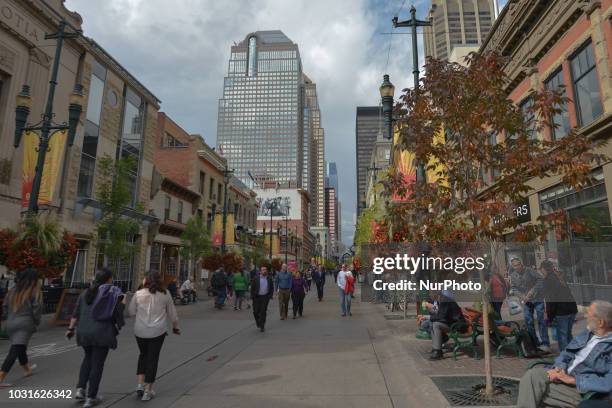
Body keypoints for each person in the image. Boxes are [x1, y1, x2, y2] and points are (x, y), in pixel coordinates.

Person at [517, 300, 612, 408]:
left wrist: (573, 380)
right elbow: (567, 352)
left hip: (579, 390)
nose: (586, 317)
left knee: (531, 389)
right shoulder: (589, 333)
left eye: (589, 315)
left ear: (601, 322)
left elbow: (608, 382)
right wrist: (559, 367)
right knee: (531, 376)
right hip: (563, 375)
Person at [66, 268, 126, 408]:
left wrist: (70, 329)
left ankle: (81, 389)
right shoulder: (110, 294)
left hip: (84, 331)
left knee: (87, 359)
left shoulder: (85, 293)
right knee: (97, 364)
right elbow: (118, 312)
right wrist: (123, 303)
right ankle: (91, 397)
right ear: (109, 279)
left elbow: (76, 313)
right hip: (101, 332)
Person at [128, 272, 180, 401]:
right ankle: (148, 390)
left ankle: (140, 384)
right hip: (157, 331)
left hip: (140, 331)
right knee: (152, 358)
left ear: (145, 280)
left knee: (143, 355)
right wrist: (175, 326)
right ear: (159, 280)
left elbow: (131, 312)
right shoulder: (165, 293)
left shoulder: (138, 293)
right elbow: (172, 313)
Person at [0, 269, 41, 387]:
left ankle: (27, 369)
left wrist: (8, 318)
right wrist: (36, 322)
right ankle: (1, 376)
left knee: (20, 347)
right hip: (25, 324)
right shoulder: (34, 291)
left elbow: (5, 307)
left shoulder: (12, 290)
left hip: (11, 323)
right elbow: (37, 309)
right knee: (15, 350)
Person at [509, 257, 549, 353]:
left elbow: (540, 280)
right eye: (515, 265)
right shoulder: (513, 276)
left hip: (537, 298)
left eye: (519, 264)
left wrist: (532, 291)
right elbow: (514, 288)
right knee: (528, 321)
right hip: (526, 301)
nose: (517, 267)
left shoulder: (529, 270)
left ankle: (545, 344)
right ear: (513, 267)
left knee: (541, 320)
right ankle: (534, 343)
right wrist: (521, 296)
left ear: (521, 264)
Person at [540, 260, 578, 353]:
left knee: (562, 336)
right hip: (571, 308)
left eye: (541, 269)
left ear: (543, 269)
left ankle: (565, 358)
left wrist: (549, 316)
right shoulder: (559, 277)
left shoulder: (547, 280)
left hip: (561, 311)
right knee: (568, 334)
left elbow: (550, 300)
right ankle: (573, 355)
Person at [426, 290, 465, 360]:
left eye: (431, 296)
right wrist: (429, 314)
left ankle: (438, 352)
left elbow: (441, 317)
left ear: (437, 295)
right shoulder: (440, 300)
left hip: (457, 325)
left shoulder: (445, 301)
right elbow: (439, 314)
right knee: (431, 323)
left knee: (436, 324)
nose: (430, 298)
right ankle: (436, 346)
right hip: (450, 323)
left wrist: (430, 317)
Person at [251, 266, 274, 332]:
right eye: (263, 270)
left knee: (263, 312)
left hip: (265, 297)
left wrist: (270, 296)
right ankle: (258, 322)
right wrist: (252, 296)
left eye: (265, 270)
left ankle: (262, 325)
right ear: (260, 271)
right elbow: (252, 288)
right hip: (257, 297)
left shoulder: (269, 278)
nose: (264, 271)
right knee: (256, 312)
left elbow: (271, 288)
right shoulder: (256, 278)